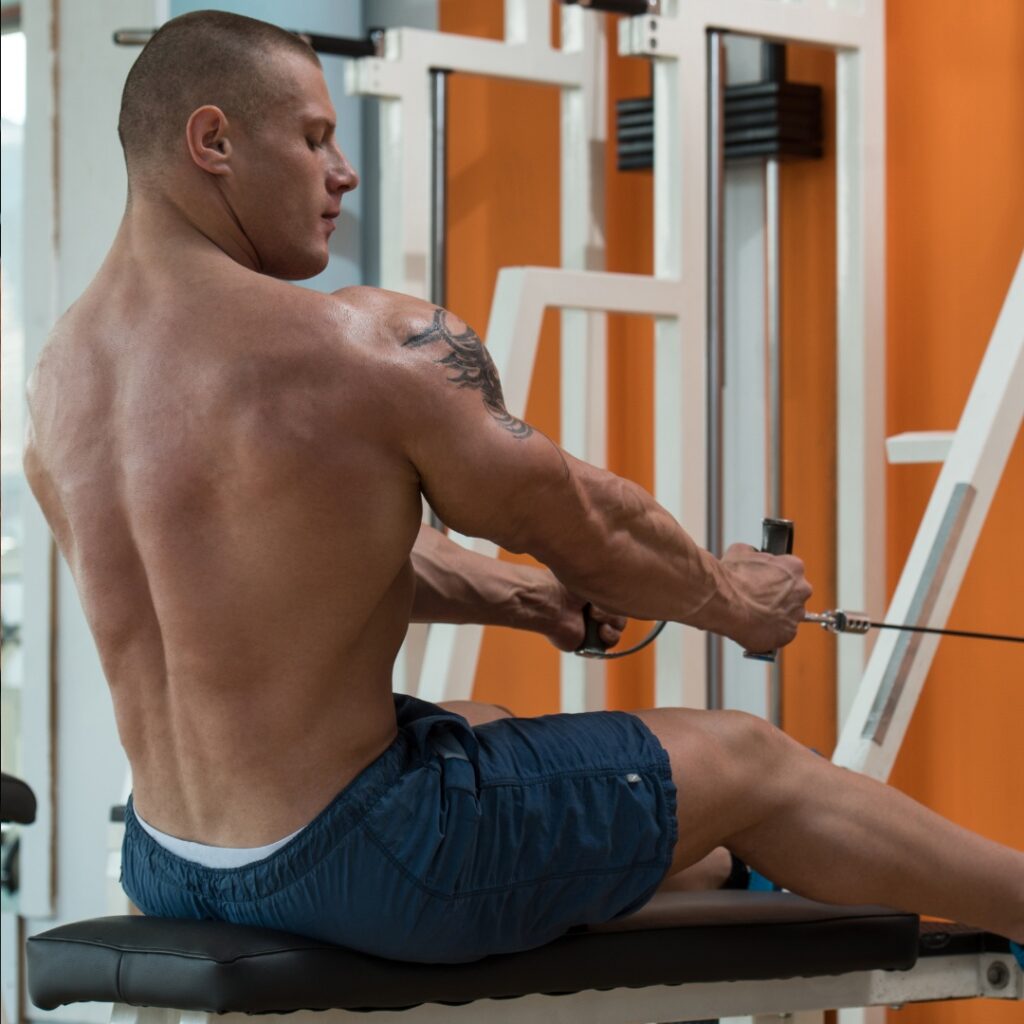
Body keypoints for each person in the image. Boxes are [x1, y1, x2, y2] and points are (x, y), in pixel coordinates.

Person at [24, 11, 1022, 963]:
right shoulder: (360, 347)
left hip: (171, 860)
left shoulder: (63, 381)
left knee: (486, 725)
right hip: (368, 860)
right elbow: (583, 521)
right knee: (752, 757)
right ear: (213, 141)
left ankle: (715, 861)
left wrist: (526, 598)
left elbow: (283, 555)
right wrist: (734, 600)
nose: (344, 168)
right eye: (314, 137)